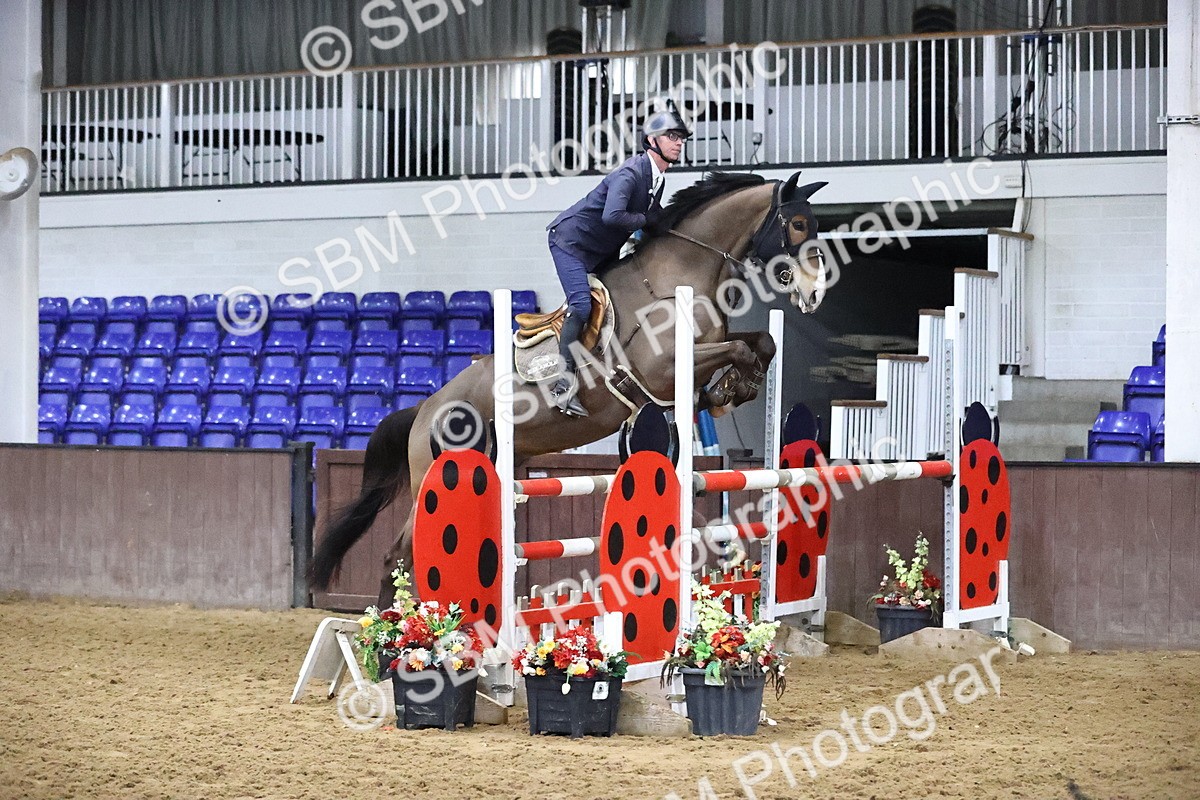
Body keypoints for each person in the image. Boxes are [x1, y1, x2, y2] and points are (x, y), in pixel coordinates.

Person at [544, 109, 692, 417]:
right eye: (672, 136)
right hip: (571, 243)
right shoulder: (631, 173)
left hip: (602, 249)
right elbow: (612, 215)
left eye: (681, 138)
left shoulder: (657, 179)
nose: (679, 143)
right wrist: (646, 219)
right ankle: (562, 384)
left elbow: (650, 220)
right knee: (581, 306)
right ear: (652, 140)